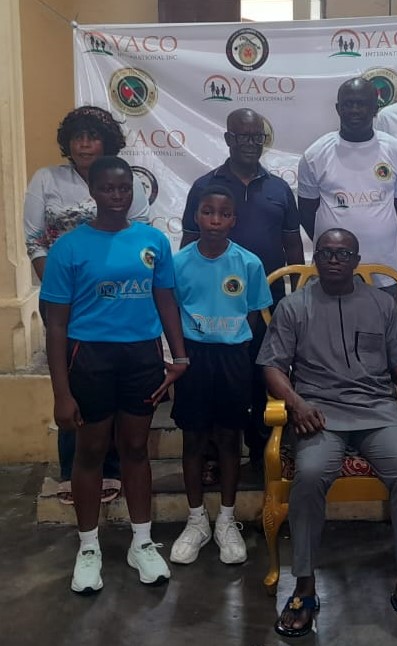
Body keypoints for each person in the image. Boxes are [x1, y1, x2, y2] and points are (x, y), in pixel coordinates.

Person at [257, 228, 397, 638]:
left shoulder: (381, 304)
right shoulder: (294, 306)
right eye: (326, 252)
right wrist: (296, 403)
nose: (334, 259)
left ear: (356, 260)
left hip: (377, 410)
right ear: (316, 259)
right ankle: (304, 586)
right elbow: (273, 365)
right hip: (318, 413)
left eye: (343, 253)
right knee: (310, 475)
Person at [41, 156, 187, 593]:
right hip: (89, 357)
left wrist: (179, 356)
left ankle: (142, 542)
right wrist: (61, 393)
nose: (117, 195)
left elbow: (165, 300)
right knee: (90, 451)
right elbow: (56, 325)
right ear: (93, 191)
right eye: (108, 188)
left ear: (133, 191)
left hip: (142, 356)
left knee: (136, 448)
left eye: (124, 188)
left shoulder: (152, 241)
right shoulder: (69, 248)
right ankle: (89, 548)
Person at [23, 105, 150, 505]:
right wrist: (62, 289)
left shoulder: (128, 181)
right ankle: (71, 467)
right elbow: (35, 241)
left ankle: (110, 468)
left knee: (112, 387)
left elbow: (141, 234)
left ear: (106, 142)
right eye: (77, 137)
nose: (83, 144)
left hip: (116, 298)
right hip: (63, 296)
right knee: (74, 385)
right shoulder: (47, 179)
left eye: (92, 136)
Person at [180, 108, 304, 471]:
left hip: (266, 303)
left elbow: (293, 246)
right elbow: (188, 246)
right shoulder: (205, 187)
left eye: (257, 137)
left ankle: (263, 453)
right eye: (242, 136)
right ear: (227, 139)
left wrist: (296, 296)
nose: (251, 143)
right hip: (215, 307)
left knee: (262, 372)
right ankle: (211, 456)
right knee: (216, 380)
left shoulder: (280, 189)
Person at [169, 185, 273, 566]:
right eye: (207, 212)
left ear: (233, 220)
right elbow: (170, 312)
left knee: (230, 439)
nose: (215, 220)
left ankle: (227, 521)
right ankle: (196, 520)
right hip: (193, 357)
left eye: (223, 214)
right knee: (194, 439)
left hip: (233, 358)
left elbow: (252, 313)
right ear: (196, 216)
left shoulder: (249, 263)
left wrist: (234, 346)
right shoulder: (178, 263)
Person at [298, 77, 397, 298]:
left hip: (384, 272)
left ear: (375, 109)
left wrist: (379, 232)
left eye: (362, 104)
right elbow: (306, 213)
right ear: (338, 109)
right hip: (331, 272)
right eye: (348, 104)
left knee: (384, 321)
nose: (355, 110)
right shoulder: (315, 154)